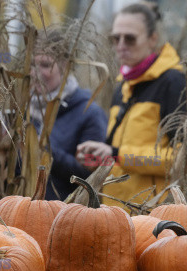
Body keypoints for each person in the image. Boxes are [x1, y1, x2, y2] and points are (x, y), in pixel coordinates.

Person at [76, 2, 187, 209]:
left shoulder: (172, 81)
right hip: (114, 209)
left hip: (151, 213)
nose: (121, 45)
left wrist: (117, 154)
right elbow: (116, 153)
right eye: (115, 38)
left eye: (130, 38)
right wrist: (99, 157)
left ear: (152, 39)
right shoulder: (122, 84)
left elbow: (178, 161)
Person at [30, 28, 108, 200]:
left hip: (62, 216)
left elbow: (89, 176)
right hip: (14, 212)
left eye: (44, 65)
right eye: (31, 65)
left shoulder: (89, 113)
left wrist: (41, 147)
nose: (35, 73)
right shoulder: (20, 108)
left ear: (65, 66)